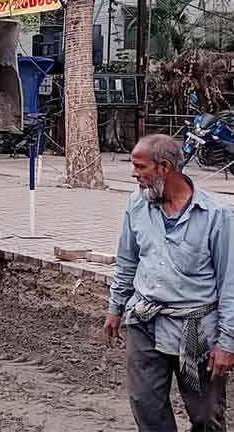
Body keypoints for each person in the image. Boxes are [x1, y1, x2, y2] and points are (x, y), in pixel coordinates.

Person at [104, 134, 234, 431]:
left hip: (196, 333)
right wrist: (116, 308)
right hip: (145, 324)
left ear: (164, 167)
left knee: (206, 416)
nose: (134, 174)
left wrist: (228, 343)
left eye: (140, 167)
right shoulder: (137, 205)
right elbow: (127, 261)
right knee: (146, 407)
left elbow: (231, 284)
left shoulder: (218, 216)